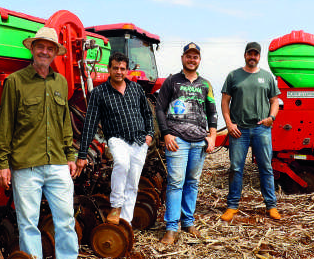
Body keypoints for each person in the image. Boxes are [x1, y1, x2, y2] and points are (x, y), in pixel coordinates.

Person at [0, 26, 95, 259]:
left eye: (50, 49)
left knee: (65, 218)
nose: (45, 52)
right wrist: (2, 163)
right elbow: (6, 125)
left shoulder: (60, 82)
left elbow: (64, 123)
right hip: (26, 164)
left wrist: (70, 155)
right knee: (28, 223)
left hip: (58, 163)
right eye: (41, 47)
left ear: (54, 53)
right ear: (32, 49)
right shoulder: (15, 82)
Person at [76, 52, 155, 225]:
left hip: (140, 140)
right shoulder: (99, 93)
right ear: (109, 69)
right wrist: (82, 154)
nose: (119, 71)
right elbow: (90, 123)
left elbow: (147, 113)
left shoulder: (136, 89)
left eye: (122, 68)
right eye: (115, 68)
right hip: (117, 138)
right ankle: (116, 205)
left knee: (133, 182)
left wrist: (150, 134)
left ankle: (125, 222)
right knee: (121, 163)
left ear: (127, 70)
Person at [156, 43, 217, 244]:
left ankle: (188, 223)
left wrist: (212, 137)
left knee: (192, 183)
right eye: (189, 56)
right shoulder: (171, 82)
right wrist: (166, 134)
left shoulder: (205, 85)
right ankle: (171, 228)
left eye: (195, 57)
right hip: (177, 140)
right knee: (175, 183)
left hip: (199, 141)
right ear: (183, 58)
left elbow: (212, 113)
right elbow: (159, 109)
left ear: (199, 60)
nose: (192, 60)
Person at [220, 42, 281, 221]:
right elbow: (225, 102)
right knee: (235, 168)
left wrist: (272, 118)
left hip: (262, 128)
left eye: (255, 54)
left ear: (259, 56)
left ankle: (271, 206)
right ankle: (232, 206)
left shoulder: (267, 77)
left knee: (266, 167)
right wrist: (229, 124)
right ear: (245, 55)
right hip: (239, 130)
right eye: (249, 54)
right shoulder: (234, 76)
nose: (252, 57)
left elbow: (275, 101)